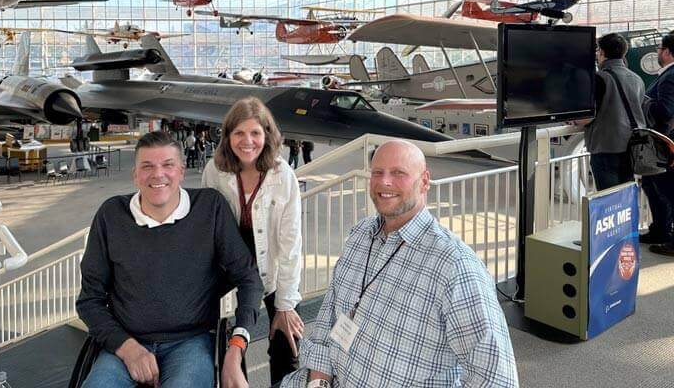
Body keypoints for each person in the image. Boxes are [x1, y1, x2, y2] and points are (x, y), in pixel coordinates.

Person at [281, 140, 518, 387]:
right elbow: (328, 320)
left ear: (424, 181)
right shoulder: (360, 237)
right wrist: (318, 382)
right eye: (377, 173)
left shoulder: (454, 267)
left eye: (399, 173)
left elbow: (495, 378)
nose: (385, 182)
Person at [76, 131, 263, 388]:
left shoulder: (210, 208)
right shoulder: (111, 215)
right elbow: (89, 301)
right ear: (135, 175)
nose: (158, 174)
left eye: (168, 165)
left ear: (182, 172)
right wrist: (129, 349)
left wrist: (237, 347)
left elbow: (248, 277)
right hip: (125, 343)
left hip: (192, 342)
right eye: (147, 166)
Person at [202, 98, 304, 385]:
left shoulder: (282, 175)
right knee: (229, 339)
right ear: (228, 136)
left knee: (286, 340)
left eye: (255, 133)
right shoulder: (215, 171)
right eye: (239, 133)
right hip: (229, 265)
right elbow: (210, 228)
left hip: (271, 264)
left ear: (267, 135)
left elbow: (290, 241)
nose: (247, 141)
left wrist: (285, 304)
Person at [582, 33, 646, 191]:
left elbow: (588, 117)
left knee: (609, 200)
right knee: (625, 199)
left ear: (602, 53)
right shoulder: (637, 79)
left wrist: (575, 121)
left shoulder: (600, 78)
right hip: (633, 147)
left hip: (606, 148)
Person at [644, 33, 674, 253]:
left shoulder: (670, 76)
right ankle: (660, 230)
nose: (657, 52)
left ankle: (668, 237)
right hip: (663, 145)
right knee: (655, 188)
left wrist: (644, 102)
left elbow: (666, 110)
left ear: (667, 51)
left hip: (664, 145)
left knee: (667, 191)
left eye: (659, 48)